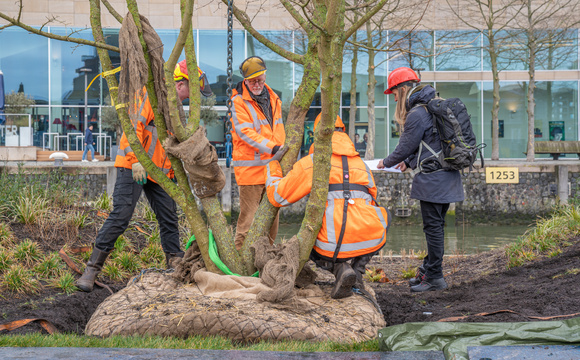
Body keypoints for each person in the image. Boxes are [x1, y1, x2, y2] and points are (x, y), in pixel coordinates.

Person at [76, 60, 211, 292]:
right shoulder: (149, 95)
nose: (192, 97)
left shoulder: (175, 109)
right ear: (180, 85)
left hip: (159, 172)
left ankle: (174, 267)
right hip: (133, 165)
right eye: (192, 91)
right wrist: (136, 159)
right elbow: (132, 129)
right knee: (121, 216)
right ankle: (91, 270)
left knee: (169, 219)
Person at [265, 113, 389, 299]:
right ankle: (358, 271)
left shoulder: (314, 162)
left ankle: (340, 268)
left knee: (308, 237)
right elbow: (372, 198)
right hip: (371, 239)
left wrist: (273, 165)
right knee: (381, 217)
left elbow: (278, 196)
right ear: (343, 133)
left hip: (332, 245)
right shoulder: (362, 165)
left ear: (317, 135)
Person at [377, 67, 464, 292]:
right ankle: (428, 271)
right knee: (437, 227)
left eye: (394, 93)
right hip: (447, 176)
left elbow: (406, 144)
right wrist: (410, 161)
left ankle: (435, 277)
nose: (394, 97)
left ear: (403, 89)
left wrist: (385, 162)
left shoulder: (417, 113)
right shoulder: (433, 107)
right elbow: (430, 144)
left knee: (433, 228)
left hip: (433, 181)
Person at [230, 56, 285, 251]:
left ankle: (265, 257)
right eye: (252, 81)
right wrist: (273, 148)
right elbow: (246, 133)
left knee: (271, 220)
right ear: (245, 80)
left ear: (265, 76)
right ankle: (240, 261)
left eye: (260, 80)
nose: (257, 84)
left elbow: (278, 130)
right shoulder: (238, 102)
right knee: (248, 221)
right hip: (251, 172)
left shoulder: (273, 98)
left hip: (272, 169)